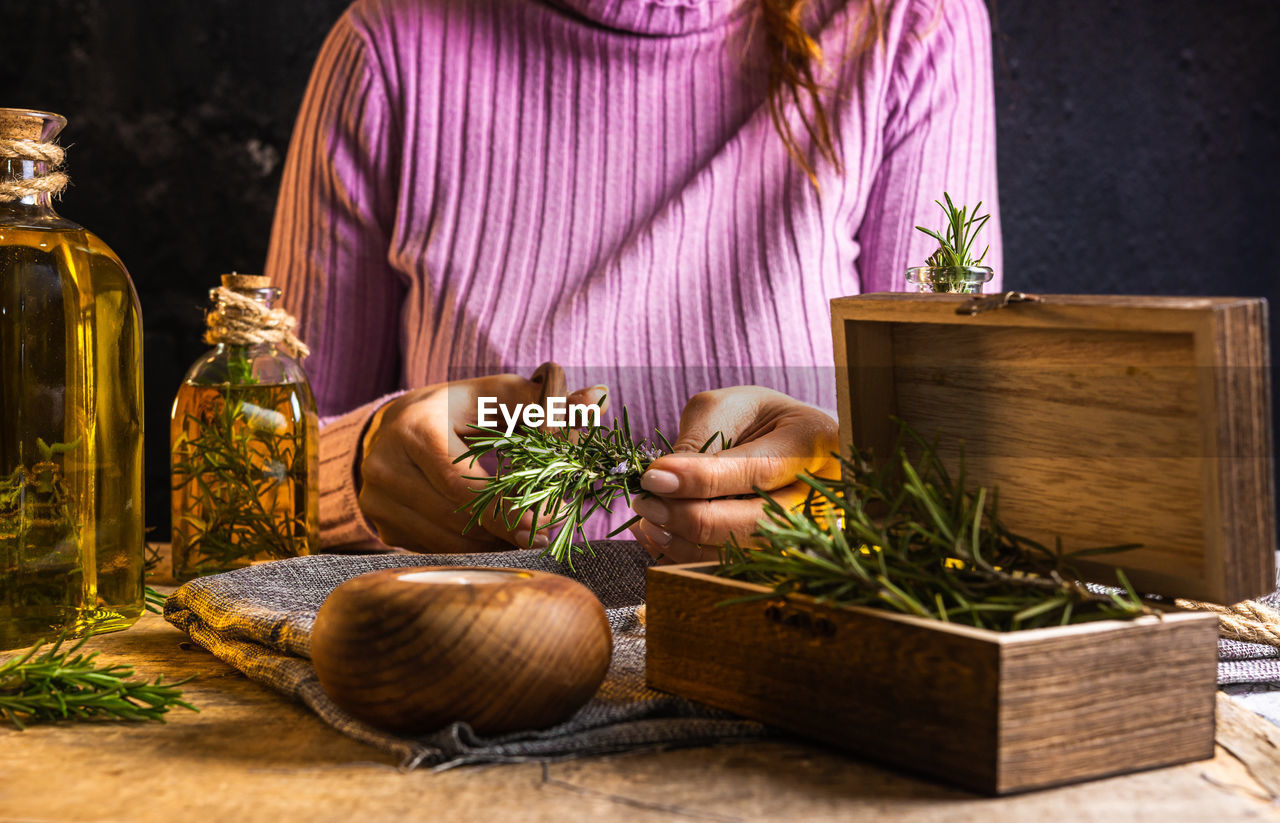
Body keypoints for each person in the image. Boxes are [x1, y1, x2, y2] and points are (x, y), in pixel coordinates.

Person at [265, 0, 1002, 564]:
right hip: (484, 680)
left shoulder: (906, 24)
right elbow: (255, 470)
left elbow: (966, 472)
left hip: (793, 675)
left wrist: (846, 496)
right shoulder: (387, 48)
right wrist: (355, 465)